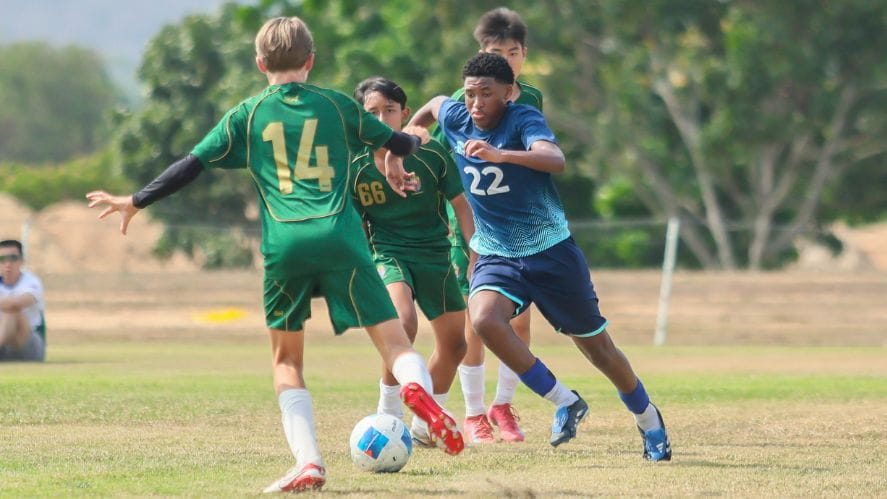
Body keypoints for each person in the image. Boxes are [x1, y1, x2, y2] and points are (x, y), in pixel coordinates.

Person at [86, 16, 464, 494]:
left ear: (260, 63)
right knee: (397, 344)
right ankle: (418, 391)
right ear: (311, 60)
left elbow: (191, 165)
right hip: (343, 238)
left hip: (285, 244)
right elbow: (401, 141)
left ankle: (309, 463)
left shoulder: (247, 114)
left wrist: (135, 201)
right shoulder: (337, 105)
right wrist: (403, 150)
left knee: (287, 361)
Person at [409, 52, 672, 460]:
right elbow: (433, 104)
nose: (476, 104)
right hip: (497, 252)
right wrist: (409, 134)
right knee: (482, 320)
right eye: (470, 94)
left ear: (509, 93)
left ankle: (648, 419)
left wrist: (503, 156)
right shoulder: (457, 116)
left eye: (487, 94)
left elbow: (555, 159)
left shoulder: (523, 120)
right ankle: (565, 400)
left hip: (551, 253)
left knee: (598, 349)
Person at [419, 7, 543, 444]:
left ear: (523, 55)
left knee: (520, 321)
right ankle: (473, 413)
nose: (506, 59)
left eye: (513, 52)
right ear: (481, 53)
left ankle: (503, 406)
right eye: (496, 51)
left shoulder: (530, 99)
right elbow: (433, 151)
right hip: (471, 225)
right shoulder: (464, 96)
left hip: (519, 227)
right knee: (476, 320)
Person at [350, 77, 475, 445]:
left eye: (389, 110)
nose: (381, 118)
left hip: (436, 254)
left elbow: (462, 206)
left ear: (404, 114)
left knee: (456, 345)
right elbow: (355, 227)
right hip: (388, 254)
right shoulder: (354, 166)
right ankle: (387, 415)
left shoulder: (431, 153)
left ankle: (425, 422)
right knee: (402, 325)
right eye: (371, 112)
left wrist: (474, 254)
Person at [0, 239, 46, 362]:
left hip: (28, 343)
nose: (7, 263)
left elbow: (16, 304)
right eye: (2, 259)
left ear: (21, 260)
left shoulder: (31, 281)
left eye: (13, 258)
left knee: (12, 312)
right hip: (4, 344)